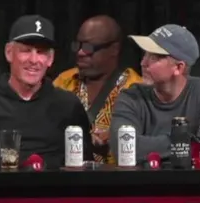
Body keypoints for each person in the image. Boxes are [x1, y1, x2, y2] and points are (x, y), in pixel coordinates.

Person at [0, 15, 90, 169]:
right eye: (26, 50)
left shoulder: (69, 106)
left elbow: (84, 167)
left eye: (40, 52)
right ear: (9, 52)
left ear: (50, 59)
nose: (33, 60)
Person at [109, 23, 200, 163]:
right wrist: (186, 143)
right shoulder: (131, 97)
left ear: (178, 68)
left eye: (153, 58)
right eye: (145, 54)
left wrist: (149, 146)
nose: (143, 63)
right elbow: (122, 148)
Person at [53, 15, 141, 163]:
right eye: (78, 45)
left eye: (89, 47)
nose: (80, 53)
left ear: (114, 49)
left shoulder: (135, 88)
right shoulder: (64, 81)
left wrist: (113, 142)